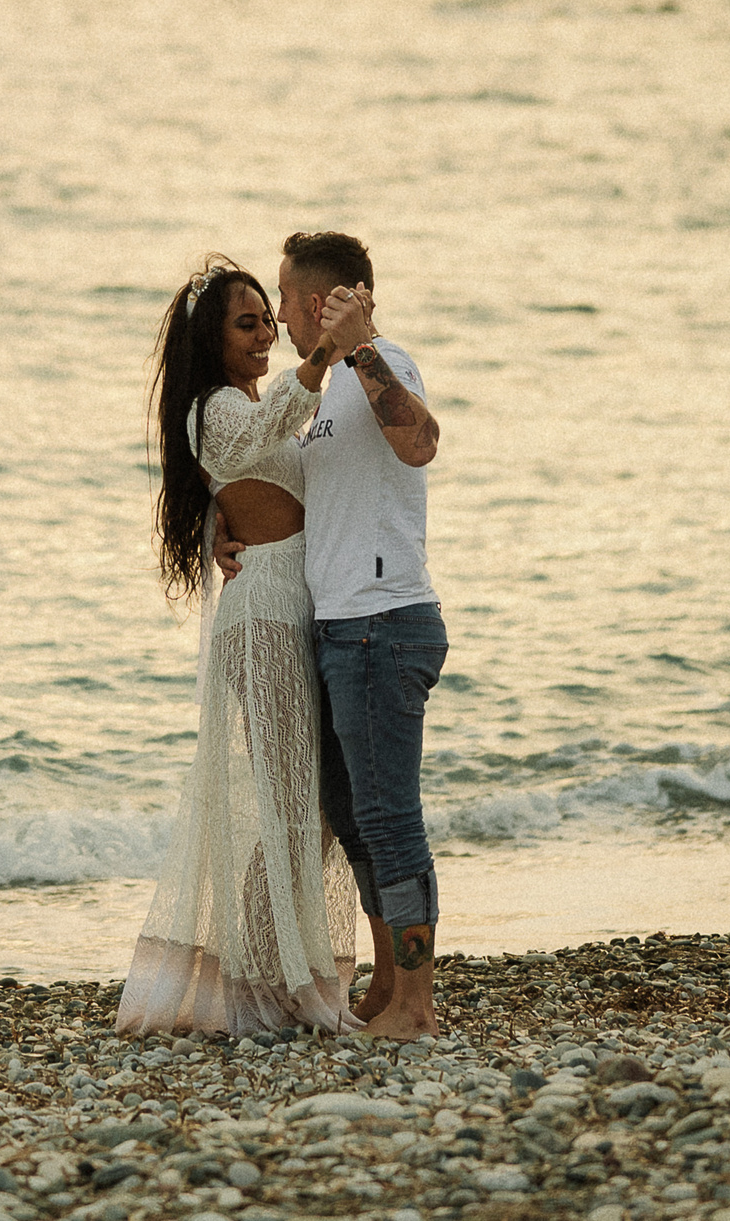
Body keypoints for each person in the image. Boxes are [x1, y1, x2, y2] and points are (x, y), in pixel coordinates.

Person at [116, 255, 363, 1037]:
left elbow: (280, 466)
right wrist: (324, 349)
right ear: (210, 339)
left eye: (266, 319)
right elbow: (258, 433)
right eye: (246, 323)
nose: (262, 335)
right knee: (291, 808)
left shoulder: (248, 403)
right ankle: (262, 983)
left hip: (296, 610)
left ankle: (273, 967)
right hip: (261, 621)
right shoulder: (212, 409)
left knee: (315, 807)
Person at [262, 230, 448, 1042]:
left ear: (316, 303)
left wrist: (363, 348)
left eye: (283, 298)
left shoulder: (385, 363)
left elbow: (419, 443)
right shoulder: (310, 390)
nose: (276, 316)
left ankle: (417, 1005)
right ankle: (382, 985)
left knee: (388, 814)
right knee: (350, 811)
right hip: (336, 624)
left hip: (384, 620)